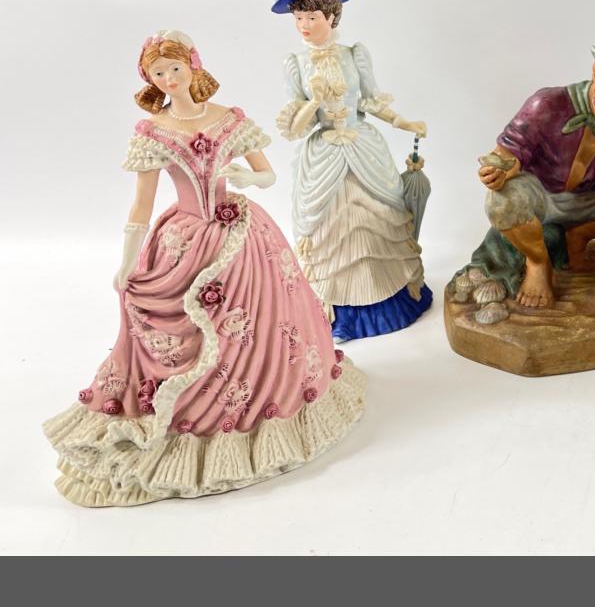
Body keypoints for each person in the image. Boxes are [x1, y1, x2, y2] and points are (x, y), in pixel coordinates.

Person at [44, 30, 365, 507]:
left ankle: (258, 399)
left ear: (193, 66)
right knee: (185, 322)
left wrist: (248, 177)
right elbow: (141, 205)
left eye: (175, 68)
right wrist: (126, 261)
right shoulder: (153, 131)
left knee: (264, 318)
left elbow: (268, 173)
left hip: (243, 235)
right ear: (150, 79)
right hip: (186, 240)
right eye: (158, 73)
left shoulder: (230, 119)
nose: (169, 78)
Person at [273, 0, 432, 340]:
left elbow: (370, 100)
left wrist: (403, 122)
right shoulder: (295, 64)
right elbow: (295, 129)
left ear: (331, 17)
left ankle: (388, 299)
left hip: (363, 147)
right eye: (298, 18)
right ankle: (337, 309)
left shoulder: (355, 54)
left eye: (311, 17)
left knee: (379, 216)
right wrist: (314, 103)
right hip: (324, 155)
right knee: (330, 227)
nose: (303, 26)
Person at [472, 41, 595, 308]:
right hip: (537, 191)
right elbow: (510, 150)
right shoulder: (548, 102)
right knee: (500, 200)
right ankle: (537, 263)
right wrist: (498, 170)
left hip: (585, 198)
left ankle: (579, 235)